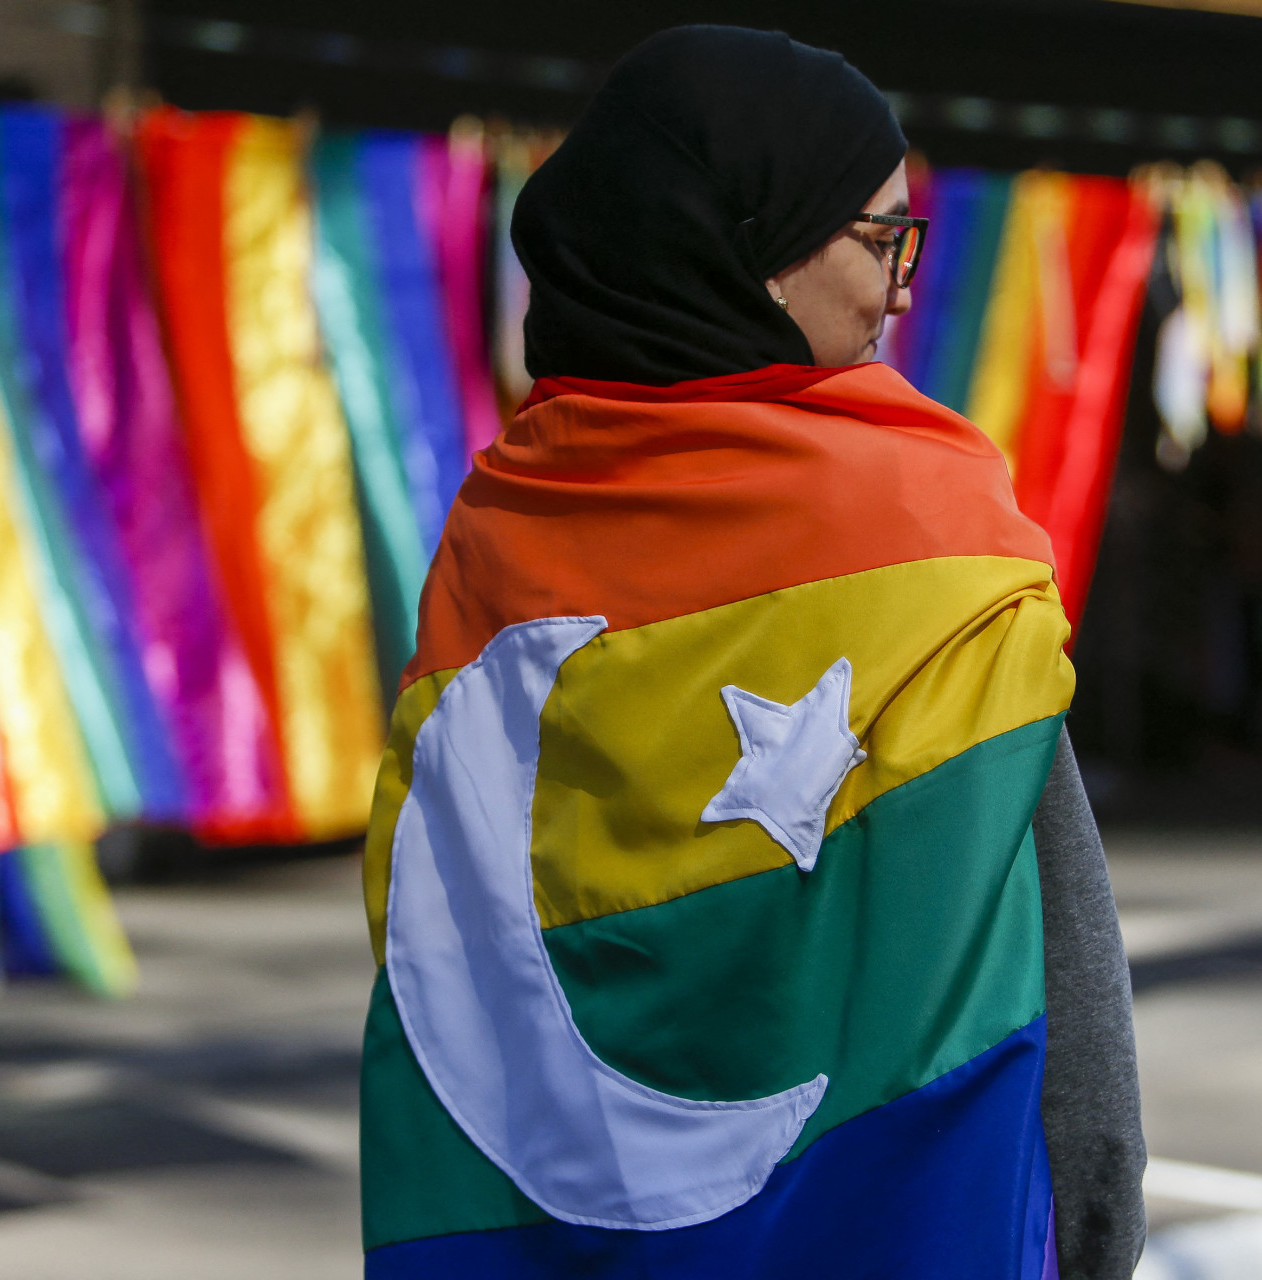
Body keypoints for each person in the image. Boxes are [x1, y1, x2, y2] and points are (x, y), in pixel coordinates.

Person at [358, 25, 1145, 1279]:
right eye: (881, 239)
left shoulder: (500, 523)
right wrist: (1095, 1226)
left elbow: (446, 946)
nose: (900, 289)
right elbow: (1064, 936)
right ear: (761, 253)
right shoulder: (924, 523)